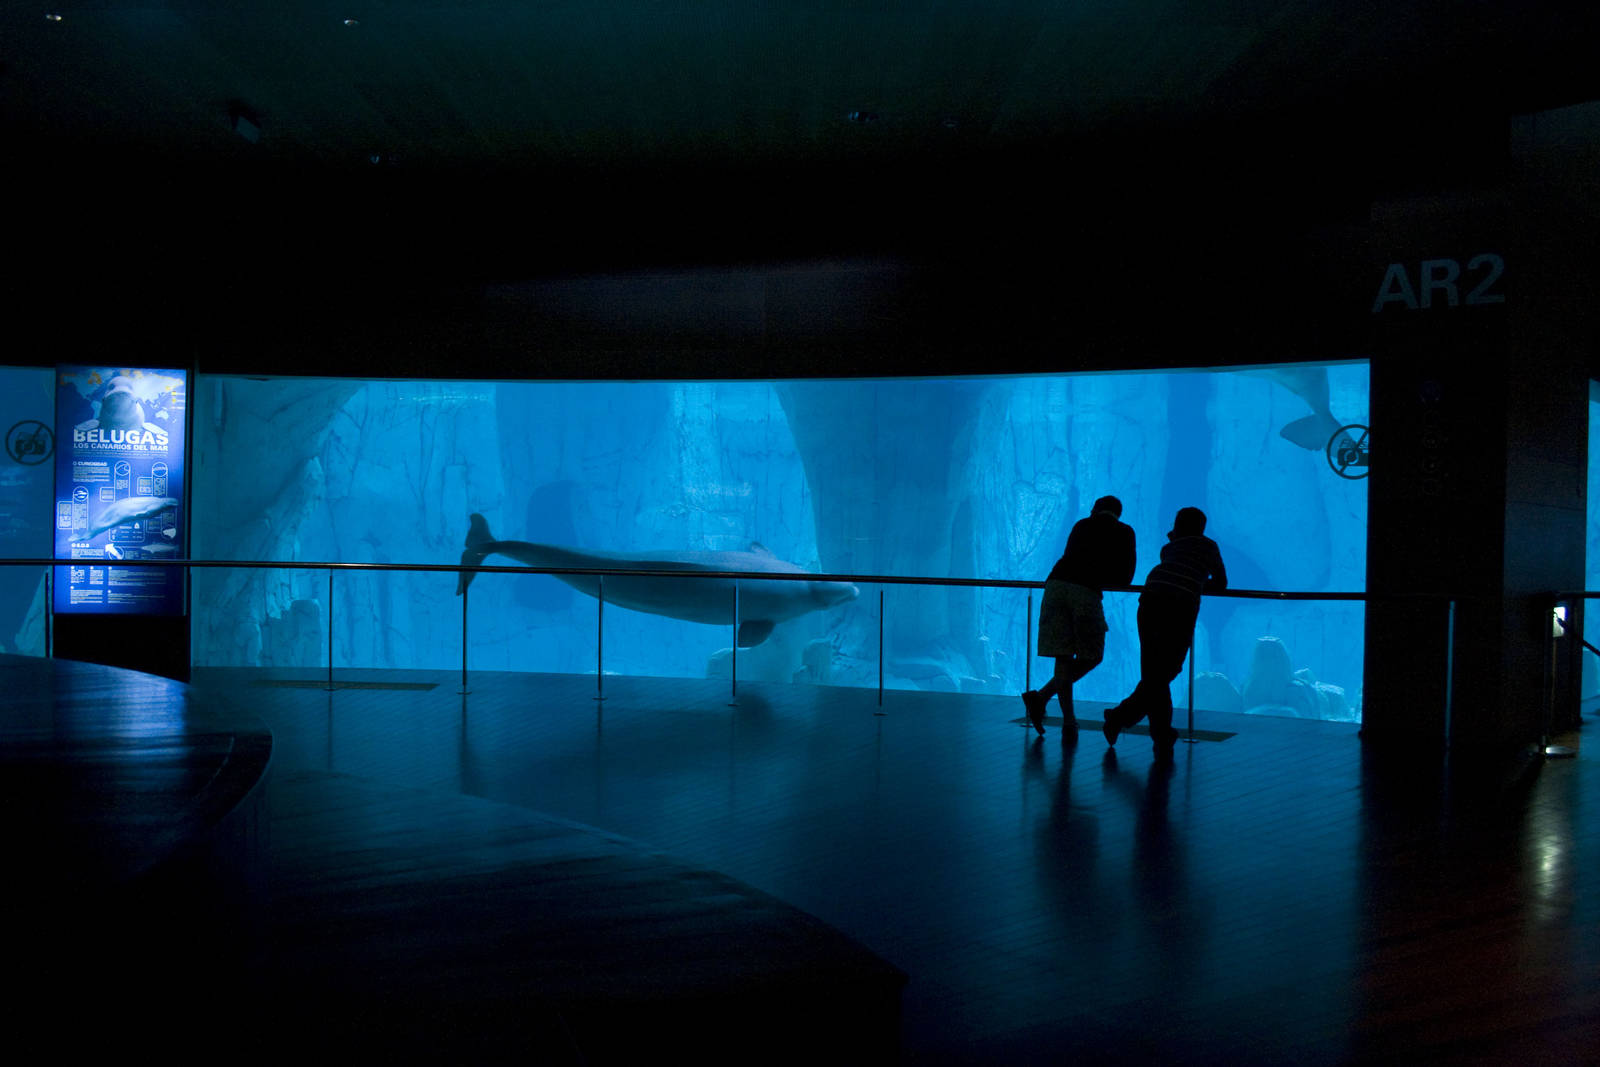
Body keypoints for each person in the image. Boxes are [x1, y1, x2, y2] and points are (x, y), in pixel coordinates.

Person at [1103, 506, 1227, 759]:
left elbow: (1175, 555)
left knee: (1154, 672)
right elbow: (1221, 581)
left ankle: (1161, 735)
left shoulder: (1169, 548)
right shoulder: (1208, 546)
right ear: (1202, 527)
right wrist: (1200, 583)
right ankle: (1121, 718)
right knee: (1167, 670)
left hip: (1150, 599)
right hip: (1179, 606)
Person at [1023, 496, 1136, 740]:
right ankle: (1043, 699)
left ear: (1095, 510)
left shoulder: (1081, 525)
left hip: (1055, 585)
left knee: (1063, 655)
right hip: (1085, 591)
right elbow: (1126, 576)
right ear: (1118, 513)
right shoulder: (1124, 532)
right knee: (1092, 655)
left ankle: (1068, 721)